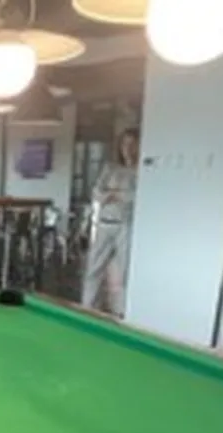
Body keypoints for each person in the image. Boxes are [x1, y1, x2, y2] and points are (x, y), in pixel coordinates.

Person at [82, 128, 140, 317]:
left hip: (126, 225)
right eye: (125, 144)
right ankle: (88, 308)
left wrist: (112, 193)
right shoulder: (110, 168)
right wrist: (119, 195)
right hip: (105, 223)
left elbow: (136, 197)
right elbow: (97, 194)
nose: (128, 148)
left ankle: (121, 312)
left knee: (124, 272)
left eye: (133, 144)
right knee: (93, 269)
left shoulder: (141, 171)